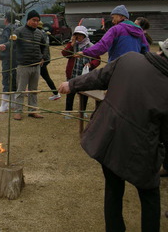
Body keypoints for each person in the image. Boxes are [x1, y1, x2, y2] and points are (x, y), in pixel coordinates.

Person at [58, 39, 168, 232]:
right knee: (149, 195)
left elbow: (98, 77)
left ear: (161, 50)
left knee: (113, 189)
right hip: (140, 150)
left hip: (107, 139)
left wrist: (71, 84)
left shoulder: (129, 59)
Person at [77, 5, 149, 62]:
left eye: (113, 17)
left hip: (117, 66)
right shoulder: (140, 31)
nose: (112, 21)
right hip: (135, 67)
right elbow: (146, 50)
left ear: (120, 16)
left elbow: (102, 45)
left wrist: (85, 52)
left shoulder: (116, 29)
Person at [13, 10, 47, 120]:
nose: (36, 23)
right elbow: (12, 42)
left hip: (36, 66)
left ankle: (33, 110)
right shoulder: (19, 31)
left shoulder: (40, 33)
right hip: (23, 66)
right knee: (21, 90)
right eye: (34, 20)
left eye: (37, 21)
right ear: (28, 19)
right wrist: (2, 45)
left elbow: (44, 46)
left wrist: (43, 58)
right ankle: (18, 111)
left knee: (34, 90)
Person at [61, 26, 100, 118]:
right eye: (76, 35)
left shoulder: (90, 46)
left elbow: (97, 59)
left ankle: (82, 111)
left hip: (84, 74)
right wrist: (72, 43)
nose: (78, 37)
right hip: (73, 73)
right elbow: (64, 54)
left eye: (80, 35)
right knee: (70, 92)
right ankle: (68, 111)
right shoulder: (73, 45)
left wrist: (91, 64)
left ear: (85, 36)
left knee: (84, 94)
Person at [0, 11, 17, 112]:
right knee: (13, 80)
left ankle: (4, 106)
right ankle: (13, 104)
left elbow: (5, 40)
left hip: (8, 57)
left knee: (6, 80)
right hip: (15, 58)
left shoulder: (8, 28)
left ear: (6, 19)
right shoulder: (16, 27)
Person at [38, 20, 61, 101]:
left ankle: (56, 93)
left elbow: (44, 48)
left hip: (42, 59)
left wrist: (43, 58)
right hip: (45, 58)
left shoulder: (40, 34)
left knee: (46, 77)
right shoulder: (44, 33)